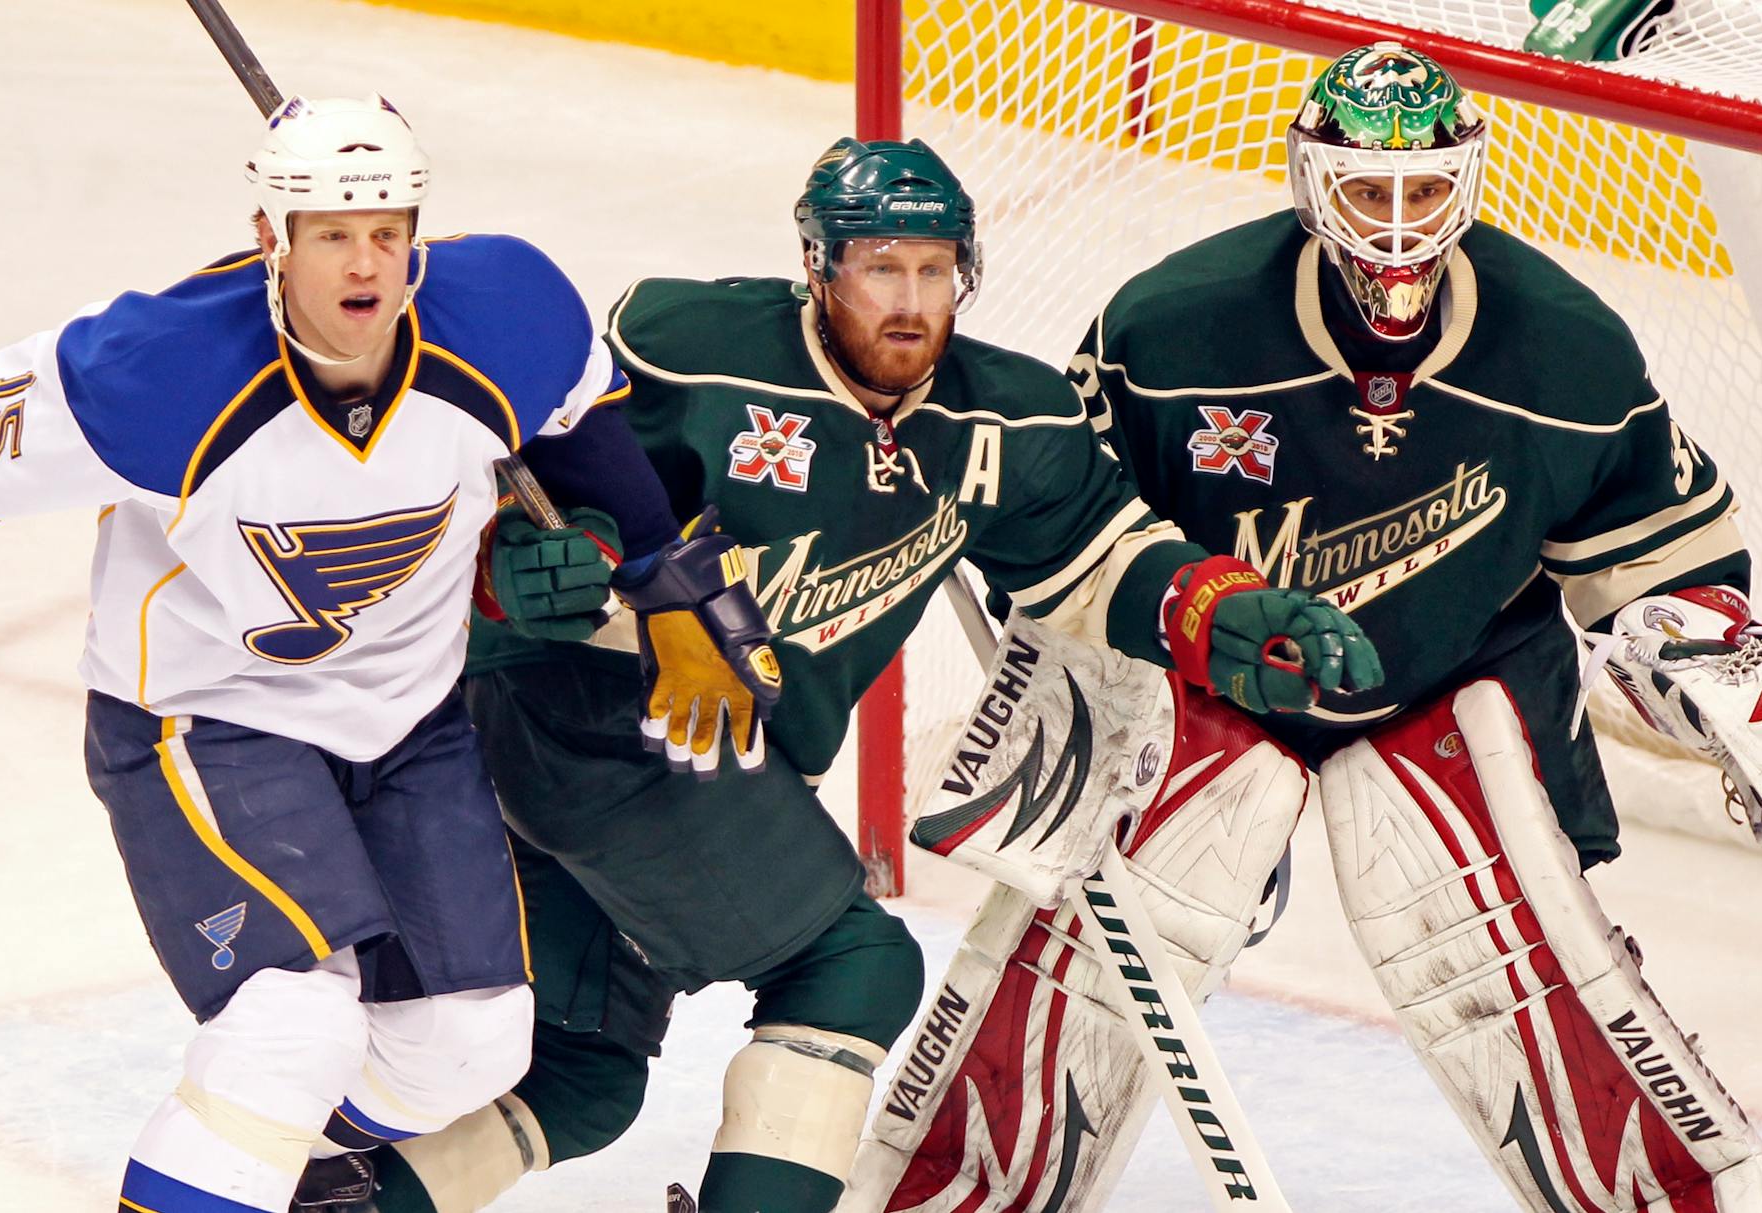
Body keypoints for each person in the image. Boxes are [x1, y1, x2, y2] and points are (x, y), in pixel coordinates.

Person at [300, 136, 1380, 1213]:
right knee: (854, 966)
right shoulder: (687, 351)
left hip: (690, 776)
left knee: (582, 1082)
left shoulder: (1002, 421)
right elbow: (509, 468)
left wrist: (1222, 609)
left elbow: (1103, 552)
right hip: (598, 723)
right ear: (818, 269)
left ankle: (328, 1201)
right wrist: (509, 566)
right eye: (879, 268)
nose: (910, 302)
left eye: (935, 269)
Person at [0, 94, 776, 1213]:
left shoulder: (504, 312)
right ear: (273, 239)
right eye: (333, 234)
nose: (367, 261)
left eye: (389, 230)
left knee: (469, 1044)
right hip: (205, 718)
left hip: (410, 722)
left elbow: (574, 418)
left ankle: (260, 1171)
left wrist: (662, 577)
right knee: (290, 1025)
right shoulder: (160, 371)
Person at [1063, 41, 1762, 1212]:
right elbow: (1068, 515)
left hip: (1458, 677)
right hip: (1218, 675)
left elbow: (1650, 538)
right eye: (1370, 192)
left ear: (1467, 179)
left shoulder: (1563, 348)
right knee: (1096, 940)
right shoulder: (1174, 330)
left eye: (1426, 191)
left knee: (1515, 958)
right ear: (1314, 184)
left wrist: (1698, 635)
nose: (1401, 227)